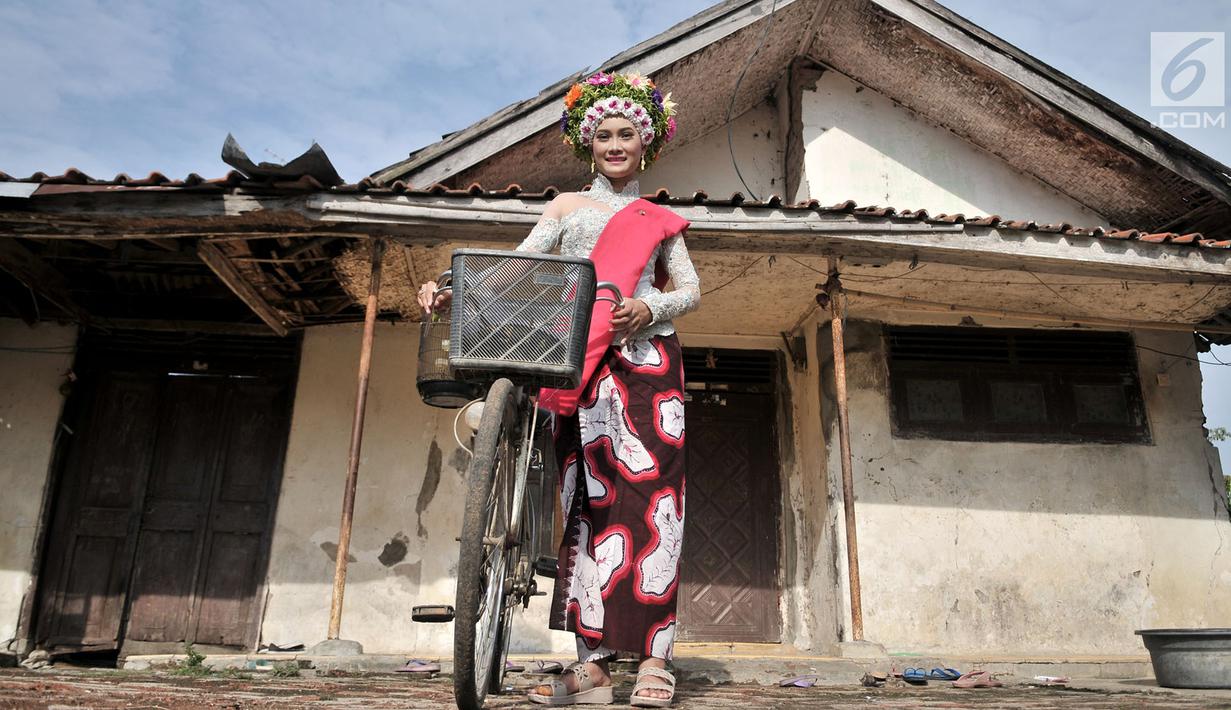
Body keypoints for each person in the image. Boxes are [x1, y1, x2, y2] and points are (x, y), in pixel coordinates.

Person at [418, 70, 698, 708]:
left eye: (629, 134)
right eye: (605, 135)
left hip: (648, 367)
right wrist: (449, 284)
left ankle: (656, 661)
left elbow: (691, 290)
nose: (617, 144)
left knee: (656, 508)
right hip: (578, 365)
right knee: (587, 506)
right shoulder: (565, 210)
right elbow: (519, 268)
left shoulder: (659, 220)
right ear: (587, 143)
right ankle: (594, 665)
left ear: (645, 144)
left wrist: (647, 309)